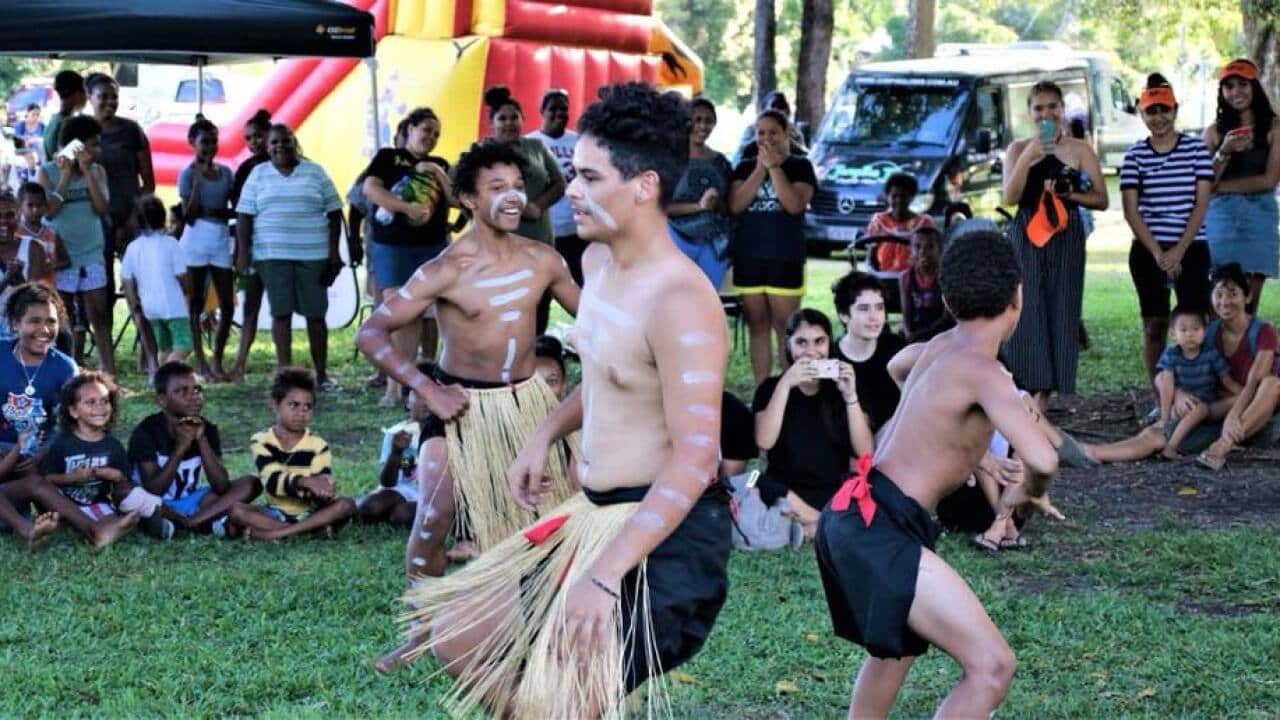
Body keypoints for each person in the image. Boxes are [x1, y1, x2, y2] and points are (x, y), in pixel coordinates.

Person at [383, 82, 732, 720]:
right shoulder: (597, 264)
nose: (570, 191)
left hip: (663, 542)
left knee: (566, 698)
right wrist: (544, 436)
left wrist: (603, 575)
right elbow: (603, 376)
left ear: (644, 186)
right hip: (587, 513)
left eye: (590, 178)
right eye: (574, 174)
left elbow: (697, 459)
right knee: (460, 622)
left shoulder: (682, 298)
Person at [815, 230, 1061, 719]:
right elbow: (1044, 458)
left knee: (896, 649)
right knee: (992, 666)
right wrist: (1027, 494)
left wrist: (968, 451)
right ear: (1018, 295)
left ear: (947, 299)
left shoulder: (937, 347)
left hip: (853, 515)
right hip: (880, 525)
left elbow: (898, 367)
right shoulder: (986, 373)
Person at [356, 138, 580, 580]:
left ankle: (539, 615)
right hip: (459, 403)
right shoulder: (446, 269)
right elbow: (371, 334)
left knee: (547, 518)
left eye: (518, 185)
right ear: (469, 200)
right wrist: (426, 389)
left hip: (526, 402)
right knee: (436, 513)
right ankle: (422, 621)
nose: (513, 196)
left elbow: (595, 325)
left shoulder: (545, 261)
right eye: (497, 188)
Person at [0, 285, 139, 547]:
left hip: (35, 460)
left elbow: (66, 423)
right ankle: (27, 528)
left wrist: (41, 455)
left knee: (36, 484)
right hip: (4, 453)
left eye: (51, 321)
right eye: (34, 321)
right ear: (15, 324)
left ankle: (94, 530)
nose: (44, 330)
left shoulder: (64, 367)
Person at [1002, 79, 1109, 412]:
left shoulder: (1080, 149)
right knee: (1027, 309)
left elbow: (1102, 199)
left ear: (1063, 110)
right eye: (1039, 107)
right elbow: (1011, 196)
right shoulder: (1018, 149)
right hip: (1027, 232)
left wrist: (1069, 194)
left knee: (1062, 308)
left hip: (1065, 233)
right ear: (1030, 112)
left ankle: (1046, 398)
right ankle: (1026, 389)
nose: (1046, 113)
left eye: (1053, 106)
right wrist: (1031, 156)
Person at [234, 123, 346, 391]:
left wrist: (334, 253)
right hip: (271, 255)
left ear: (295, 143)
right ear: (267, 146)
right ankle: (285, 374)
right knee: (280, 313)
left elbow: (334, 213)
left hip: (313, 254)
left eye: (285, 141)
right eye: (274, 142)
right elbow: (244, 215)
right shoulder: (258, 174)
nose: (279, 146)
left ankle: (321, 374)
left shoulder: (315, 172)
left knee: (316, 315)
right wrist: (242, 253)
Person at [1122, 75, 1216, 382]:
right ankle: (1158, 393)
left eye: (1165, 109)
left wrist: (1178, 251)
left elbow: (1201, 204)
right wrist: (1159, 253)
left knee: (1195, 324)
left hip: (1191, 246)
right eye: (1152, 111)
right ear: (1142, 114)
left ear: (1175, 110)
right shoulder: (1135, 155)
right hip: (1149, 248)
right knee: (1155, 325)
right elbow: (1131, 210)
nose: (1159, 117)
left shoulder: (1195, 150)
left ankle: (1198, 388)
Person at [753, 308, 872, 538]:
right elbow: (764, 442)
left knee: (867, 489)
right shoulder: (770, 388)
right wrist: (786, 384)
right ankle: (825, 525)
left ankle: (812, 526)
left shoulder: (840, 389)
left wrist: (850, 397)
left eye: (819, 342)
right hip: (787, 491)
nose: (811, 351)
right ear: (788, 345)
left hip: (832, 489)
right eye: (801, 343)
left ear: (830, 344)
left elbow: (865, 452)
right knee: (758, 480)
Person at [360, 107, 451, 405]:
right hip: (394, 246)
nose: (431, 137)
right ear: (409, 129)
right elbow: (371, 189)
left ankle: (430, 380)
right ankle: (394, 386)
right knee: (400, 315)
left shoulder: (439, 163)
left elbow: (455, 199)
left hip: (432, 246)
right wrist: (406, 208)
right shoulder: (389, 157)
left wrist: (437, 173)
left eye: (436, 134)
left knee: (434, 312)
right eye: (426, 130)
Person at [1077, 305, 1241, 465]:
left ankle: (1095, 451)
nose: (1190, 334)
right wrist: (1165, 416)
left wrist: (1246, 393)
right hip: (1180, 407)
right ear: (1173, 333)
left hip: (1204, 406)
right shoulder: (1172, 355)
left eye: (1196, 329)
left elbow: (1227, 381)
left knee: (1195, 412)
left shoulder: (1210, 354)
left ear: (1205, 331)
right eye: (1183, 330)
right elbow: (1165, 384)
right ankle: (1093, 451)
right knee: (1152, 437)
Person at [729, 109, 816, 383]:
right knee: (758, 325)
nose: (766, 138)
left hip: (785, 257)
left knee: (785, 327)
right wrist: (759, 169)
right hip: (749, 256)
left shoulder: (801, 166)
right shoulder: (744, 166)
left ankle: (790, 387)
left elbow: (793, 204)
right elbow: (735, 204)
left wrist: (775, 168)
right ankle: (763, 390)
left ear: (786, 132)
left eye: (773, 132)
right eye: (760, 133)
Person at [129, 361, 260, 538]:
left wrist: (201, 439)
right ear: (161, 398)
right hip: (155, 503)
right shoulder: (146, 432)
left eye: (197, 390)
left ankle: (191, 523)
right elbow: (154, 489)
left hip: (191, 501)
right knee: (137, 503)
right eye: (181, 391)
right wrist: (181, 447)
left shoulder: (207, 429)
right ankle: (208, 522)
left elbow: (221, 486)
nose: (193, 397)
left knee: (251, 483)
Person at [228, 367, 356, 539]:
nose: (301, 413)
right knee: (236, 510)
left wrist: (324, 490)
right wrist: (305, 482)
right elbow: (272, 481)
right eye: (294, 405)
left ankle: (278, 533)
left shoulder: (318, 445)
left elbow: (318, 490)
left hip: (309, 512)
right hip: (274, 512)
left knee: (346, 504)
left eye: (307, 407)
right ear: (274, 404)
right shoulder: (261, 440)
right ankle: (307, 531)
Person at [484, 86, 567, 333]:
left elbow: (559, 183)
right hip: (499, 244)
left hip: (539, 239)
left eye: (514, 117)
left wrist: (538, 206)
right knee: (504, 305)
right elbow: (460, 191)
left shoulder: (537, 148)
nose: (509, 123)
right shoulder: (481, 151)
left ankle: (536, 359)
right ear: (492, 124)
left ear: (523, 120)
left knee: (539, 301)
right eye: (502, 118)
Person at [38, 113, 114, 374]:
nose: (97, 150)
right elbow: (49, 212)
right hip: (62, 255)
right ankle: (64, 369)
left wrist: (87, 173)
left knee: (100, 314)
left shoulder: (98, 171)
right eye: (93, 144)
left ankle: (108, 369)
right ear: (76, 145)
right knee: (63, 315)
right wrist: (66, 175)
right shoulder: (47, 172)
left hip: (92, 252)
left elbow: (102, 206)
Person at [1204, 59, 1280, 314]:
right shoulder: (1214, 133)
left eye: (1242, 84)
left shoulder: (1274, 127)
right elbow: (1205, 183)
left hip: (1260, 215)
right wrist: (1223, 152)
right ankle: (1216, 354)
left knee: (1248, 302)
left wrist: (1222, 187)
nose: (1236, 92)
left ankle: (1245, 353)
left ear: (1255, 87)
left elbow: (1270, 180)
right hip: (1220, 218)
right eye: (1229, 86)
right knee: (1219, 299)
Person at [1195, 263, 1280, 469]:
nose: (1225, 301)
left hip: (1259, 398)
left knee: (1271, 383)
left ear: (1247, 297)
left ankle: (1223, 445)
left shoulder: (1264, 331)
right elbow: (1179, 365)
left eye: (1233, 294)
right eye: (1219, 294)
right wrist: (1178, 395)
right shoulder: (1207, 332)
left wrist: (1233, 417)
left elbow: (1254, 382)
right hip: (1226, 401)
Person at [39, 371, 140, 542]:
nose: (99, 407)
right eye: (90, 402)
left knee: (111, 518)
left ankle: (110, 530)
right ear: (73, 411)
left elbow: (125, 481)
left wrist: (116, 476)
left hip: (96, 503)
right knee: (85, 520)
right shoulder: (61, 444)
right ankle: (101, 533)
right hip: (63, 505)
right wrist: (71, 477)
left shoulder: (113, 445)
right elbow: (46, 481)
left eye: (105, 400)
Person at [177, 115, 237, 382]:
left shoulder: (226, 173)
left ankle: (217, 360)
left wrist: (211, 210)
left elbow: (233, 210)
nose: (210, 146)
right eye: (204, 141)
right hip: (195, 241)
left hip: (220, 239)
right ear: (193, 143)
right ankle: (199, 361)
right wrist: (198, 185)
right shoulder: (188, 174)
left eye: (213, 141)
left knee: (227, 302)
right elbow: (188, 215)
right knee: (195, 304)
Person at [87, 72, 154, 290]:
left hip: (131, 216)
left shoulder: (131, 130)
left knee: (139, 283)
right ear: (90, 97)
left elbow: (149, 183)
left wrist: (133, 219)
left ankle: (143, 325)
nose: (110, 102)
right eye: (103, 96)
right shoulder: (79, 131)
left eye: (114, 97)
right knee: (100, 285)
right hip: (95, 221)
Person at [120, 195, 191, 378]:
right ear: (163, 217)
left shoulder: (133, 247)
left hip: (150, 307)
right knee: (184, 344)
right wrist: (189, 294)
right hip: (174, 305)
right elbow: (182, 275)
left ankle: (159, 375)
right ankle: (165, 376)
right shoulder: (171, 244)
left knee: (164, 347)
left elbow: (126, 279)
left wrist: (134, 301)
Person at [226, 110, 273, 382]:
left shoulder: (287, 164)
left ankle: (284, 364)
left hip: (280, 247)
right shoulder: (244, 169)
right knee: (250, 305)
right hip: (252, 247)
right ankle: (240, 362)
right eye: (249, 138)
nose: (254, 142)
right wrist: (241, 251)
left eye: (258, 136)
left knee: (282, 309)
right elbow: (239, 211)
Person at [668, 97, 733, 291]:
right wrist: (698, 206)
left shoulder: (721, 162)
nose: (702, 126)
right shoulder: (670, 159)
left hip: (713, 243)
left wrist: (716, 204)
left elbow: (730, 206)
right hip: (675, 239)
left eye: (708, 120)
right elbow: (659, 205)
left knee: (707, 297)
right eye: (696, 120)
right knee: (674, 298)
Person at [356, 361, 432, 527]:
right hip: (402, 489)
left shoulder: (446, 435)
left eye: (432, 395)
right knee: (369, 508)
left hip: (435, 495)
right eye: (419, 395)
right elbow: (387, 482)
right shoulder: (396, 433)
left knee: (401, 515)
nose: (426, 402)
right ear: (407, 400)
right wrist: (396, 452)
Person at [832, 270, 906, 434]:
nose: (874, 317)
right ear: (844, 315)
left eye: (879, 308)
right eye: (864, 309)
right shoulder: (832, 359)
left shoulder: (896, 348)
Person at [526, 88, 585, 286]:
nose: (559, 113)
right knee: (538, 288)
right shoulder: (530, 143)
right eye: (553, 108)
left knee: (578, 284)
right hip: (542, 230)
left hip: (574, 229)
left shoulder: (578, 141)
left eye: (564, 109)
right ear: (542, 111)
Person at [864, 173, 936, 273]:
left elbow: (931, 255)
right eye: (894, 196)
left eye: (903, 196)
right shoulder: (879, 221)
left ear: (911, 197)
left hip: (913, 278)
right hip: (883, 275)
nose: (899, 200)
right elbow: (871, 252)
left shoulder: (924, 222)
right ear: (887, 197)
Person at [900, 226, 953, 343]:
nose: (923, 252)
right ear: (910, 250)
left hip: (940, 333)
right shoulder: (906, 277)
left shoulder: (946, 277)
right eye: (917, 247)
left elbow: (946, 319)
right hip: (915, 332)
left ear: (940, 250)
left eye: (930, 247)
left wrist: (918, 335)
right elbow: (906, 315)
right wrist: (909, 333)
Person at [15, 183, 68, 291]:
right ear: (20, 206)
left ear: (45, 206)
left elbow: (66, 260)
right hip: (22, 289)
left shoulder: (51, 233)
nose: (35, 209)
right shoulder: (16, 234)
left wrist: (49, 266)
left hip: (48, 290)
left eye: (39, 205)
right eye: (30, 205)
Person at [42, 71, 86, 162]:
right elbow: (69, 162)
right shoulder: (68, 124)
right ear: (78, 94)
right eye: (85, 92)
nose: (87, 97)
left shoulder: (53, 120)